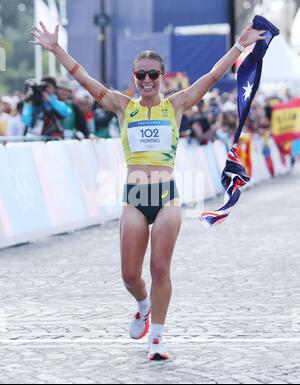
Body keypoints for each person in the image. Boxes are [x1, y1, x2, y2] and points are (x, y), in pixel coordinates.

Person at [29, 21, 266, 360]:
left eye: (153, 74)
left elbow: (213, 76)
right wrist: (55, 49)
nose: (147, 81)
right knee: (129, 275)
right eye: (141, 75)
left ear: (163, 77)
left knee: (160, 268)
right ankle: (142, 306)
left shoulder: (177, 105)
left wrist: (240, 47)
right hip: (135, 199)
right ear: (134, 77)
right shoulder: (124, 106)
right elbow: (83, 78)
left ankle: (157, 338)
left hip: (166, 196)